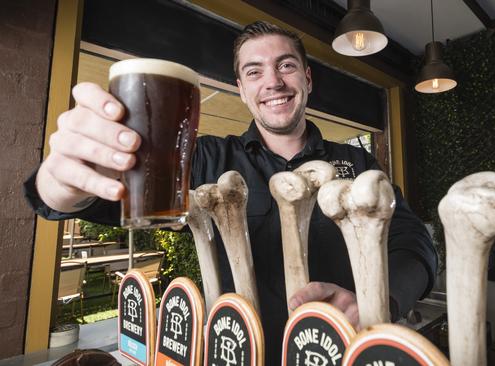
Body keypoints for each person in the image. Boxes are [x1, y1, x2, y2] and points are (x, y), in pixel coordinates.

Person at [24, 21, 437, 364]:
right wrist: (61, 187)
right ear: (241, 89)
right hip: (237, 355)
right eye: (255, 72)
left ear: (307, 79)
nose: (273, 82)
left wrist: (380, 300)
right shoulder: (206, 160)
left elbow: (414, 241)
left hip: (343, 353)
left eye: (286, 66)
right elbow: (118, 197)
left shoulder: (358, 163)